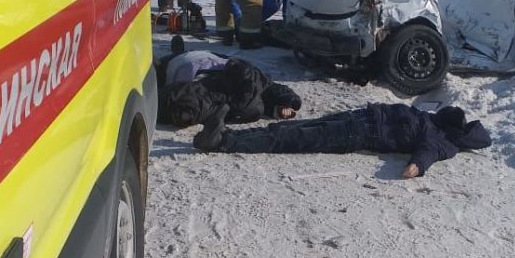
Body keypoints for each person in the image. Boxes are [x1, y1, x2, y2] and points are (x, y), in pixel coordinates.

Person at [193, 101, 492, 179]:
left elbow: (426, 154)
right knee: (294, 127)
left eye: (464, 124)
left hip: (360, 134)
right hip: (360, 117)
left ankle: (221, 142)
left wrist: (415, 167)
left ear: (463, 136)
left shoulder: (444, 143)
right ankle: (225, 135)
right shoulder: (435, 119)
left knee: (293, 138)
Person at [154, 44, 301, 127]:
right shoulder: (238, 94)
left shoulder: (243, 76)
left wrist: (287, 100)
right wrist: (284, 103)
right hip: (185, 69)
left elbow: (265, 84)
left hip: (195, 59)